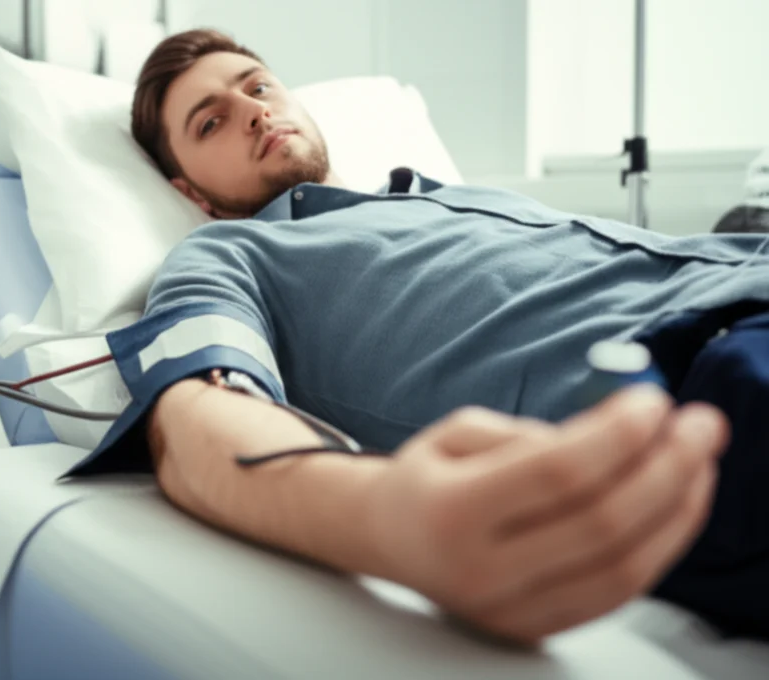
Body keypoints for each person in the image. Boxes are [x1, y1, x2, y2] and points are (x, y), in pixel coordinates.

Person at [69, 28, 769, 644]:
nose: (253, 110)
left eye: (258, 87)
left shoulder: (446, 195)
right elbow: (196, 414)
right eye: (211, 122)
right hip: (702, 378)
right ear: (190, 191)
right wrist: (382, 516)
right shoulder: (231, 256)